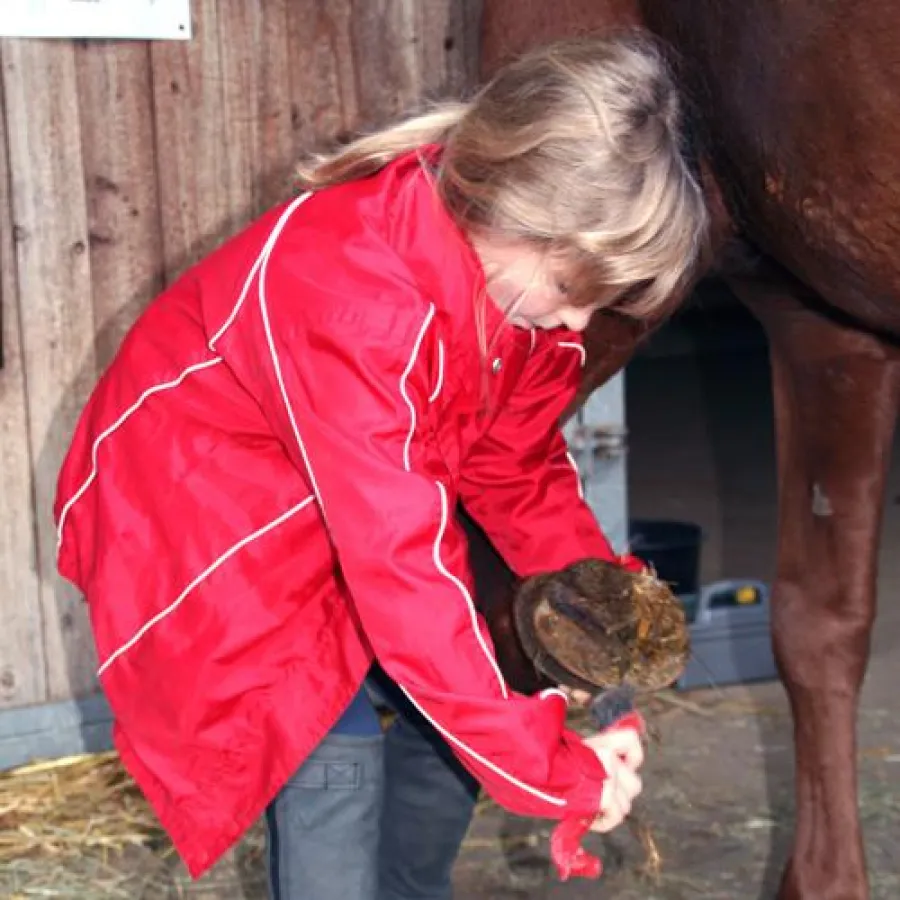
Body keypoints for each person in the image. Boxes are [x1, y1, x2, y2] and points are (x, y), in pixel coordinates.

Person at [53, 33, 707, 900]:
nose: (580, 328)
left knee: (479, 690)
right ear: (516, 218)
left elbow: (517, 468)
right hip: (212, 519)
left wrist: (599, 610)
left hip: (352, 494)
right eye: (573, 289)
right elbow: (404, 575)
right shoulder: (353, 297)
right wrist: (557, 770)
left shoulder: (511, 295)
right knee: (334, 749)